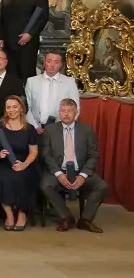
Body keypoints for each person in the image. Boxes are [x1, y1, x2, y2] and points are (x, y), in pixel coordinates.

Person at [40, 98, 109, 233]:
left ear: (76, 112)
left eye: (70, 111)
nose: (66, 114)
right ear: (59, 112)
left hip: (80, 170)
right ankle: (66, 217)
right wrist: (59, 175)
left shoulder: (86, 130)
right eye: (63, 111)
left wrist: (83, 175)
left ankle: (85, 220)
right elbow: (46, 156)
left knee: (102, 186)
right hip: (60, 170)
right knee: (45, 185)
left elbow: (93, 155)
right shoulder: (50, 130)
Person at [0, 95, 39, 230]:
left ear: (21, 109)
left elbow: (33, 152)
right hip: (3, 163)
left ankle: (22, 214)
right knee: (3, 179)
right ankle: (9, 215)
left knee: (22, 178)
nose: (11, 110)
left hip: (25, 163)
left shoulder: (29, 129)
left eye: (14, 107)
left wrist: (24, 164)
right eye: (8, 107)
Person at [0, 0, 49, 79]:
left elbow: (43, 16)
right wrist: (0, 37)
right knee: (9, 76)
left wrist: (30, 34)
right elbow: (1, 15)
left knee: (27, 74)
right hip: (8, 42)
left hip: (28, 43)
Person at [25, 50, 80, 131]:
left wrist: (66, 127)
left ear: (61, 65)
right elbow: (27, 107)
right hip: (36, 128)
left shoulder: (69, 82)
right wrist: (35, 127)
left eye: (56, 62)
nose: (52, 65)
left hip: (61, 128)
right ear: (44, 63)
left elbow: (76, 107)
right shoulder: (32, 81)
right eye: (49, 61)